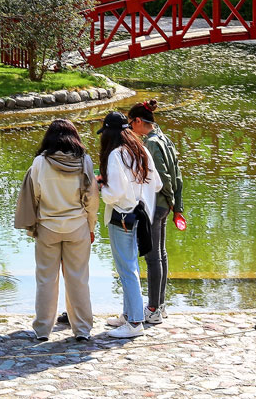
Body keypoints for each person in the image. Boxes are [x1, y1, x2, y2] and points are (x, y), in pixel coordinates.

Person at [14, 119, 99, 342]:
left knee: (45, 279)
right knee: (78, 278)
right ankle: (82, 329)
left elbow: (35, 196)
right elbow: (91, 199)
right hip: (77, 226)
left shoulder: (40, 163)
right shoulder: (85, 161)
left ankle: (42, 330)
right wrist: (90, 226)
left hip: (48, 227)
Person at [98, 111, 161, 339]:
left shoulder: (116, 154)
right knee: (130, 266)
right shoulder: (140, 150)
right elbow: (157, 184)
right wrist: (136, 192)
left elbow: (113, 193)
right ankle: (128, 315)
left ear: (110, 133)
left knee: (127, 270)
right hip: (141, 215)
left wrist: (100, 187)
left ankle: (135, 322)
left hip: (122, 217)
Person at [128, 100, 183, 325]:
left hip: (156, 203)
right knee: (161, 253)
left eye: (131, 124)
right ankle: (160, 305)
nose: (130, 129)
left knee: (152, 257)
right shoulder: (165, 138)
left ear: (139, 121)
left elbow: (163, 179)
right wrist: (176, 206)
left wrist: (167, 198)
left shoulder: (151, 143)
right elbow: (178, 174)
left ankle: (152, 309)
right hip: (166, 205)